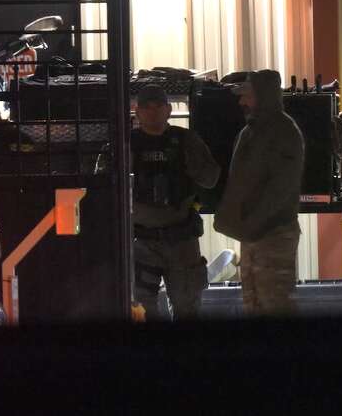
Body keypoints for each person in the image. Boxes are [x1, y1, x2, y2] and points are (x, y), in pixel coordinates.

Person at [214, 70, 304, 316]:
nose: (242, 102)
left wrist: (251, 225)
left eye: (248, 96)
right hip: (252, 234)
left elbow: (280, 190)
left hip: (274, 235)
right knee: (252, 303)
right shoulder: (250, 132)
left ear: (264, 96)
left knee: (276, 304)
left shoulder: (284, 132)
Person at [129, 85, 220, 320]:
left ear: (168, 110)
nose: (152, 112)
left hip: (181, 239)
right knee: (142, 312)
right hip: (141, 241)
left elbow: (211, 179)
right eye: (146, 107)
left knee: (187, 308)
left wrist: (191, 165)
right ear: (136, 112)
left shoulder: (186, 140)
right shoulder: (127, 144)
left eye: (158, 106)